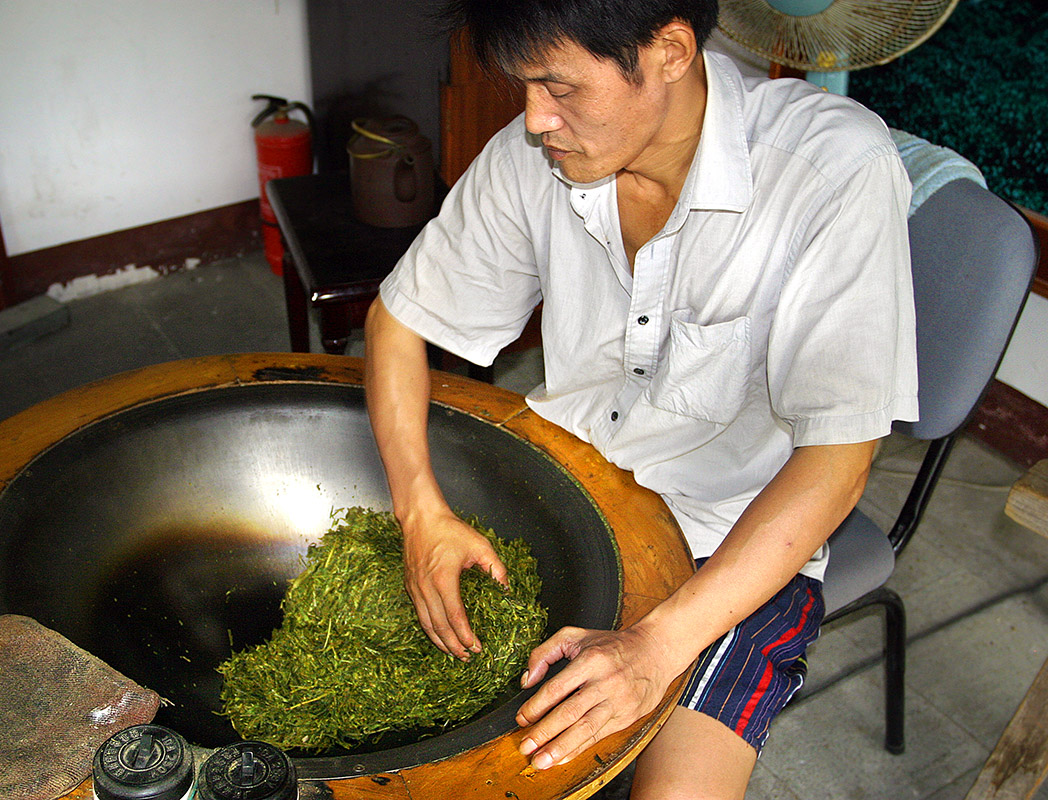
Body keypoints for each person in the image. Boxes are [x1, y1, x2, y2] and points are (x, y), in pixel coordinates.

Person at [363, 0, 918, 796]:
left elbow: (837, 465)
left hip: (733, 543)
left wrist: (659, 648)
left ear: (668, 50)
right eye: (523, 86)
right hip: (567, 481)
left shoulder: (831, 174)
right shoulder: (536, 154)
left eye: (559, 87)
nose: (534, 119)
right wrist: (422, 514)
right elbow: (398, 321)